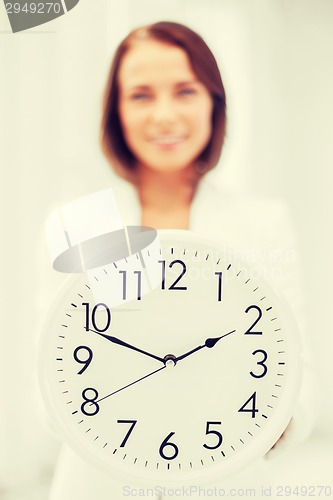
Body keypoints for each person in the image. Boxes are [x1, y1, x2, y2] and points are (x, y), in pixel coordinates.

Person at [48, 21, 317, 500]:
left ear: (214, 103)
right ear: (116, 112)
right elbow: (51, 373)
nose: (165, 115)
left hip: (229, 474)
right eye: (142, 95)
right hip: (101, 479)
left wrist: (273, 422)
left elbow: (298, 362)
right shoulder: (83, 223)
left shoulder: (261, 221)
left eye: (185, 91)